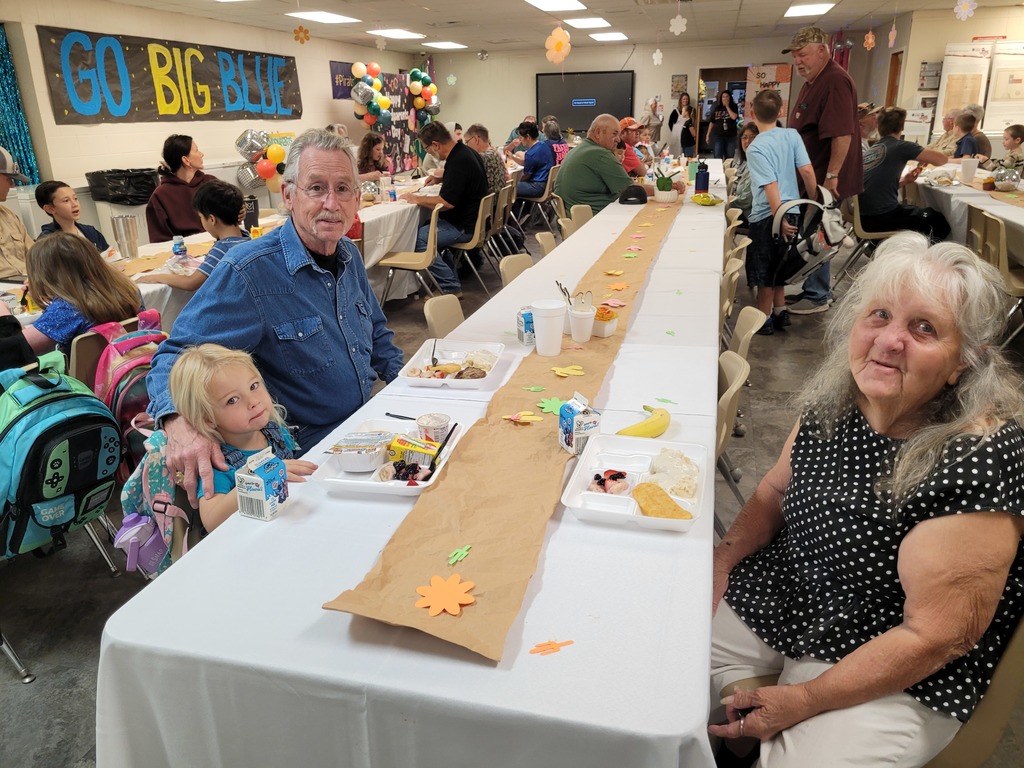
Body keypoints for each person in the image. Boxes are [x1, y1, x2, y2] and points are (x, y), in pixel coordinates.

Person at [709, 232, 1024, 768]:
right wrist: (721, 561)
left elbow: (935, 636)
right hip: (793, 589)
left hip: (892, 646)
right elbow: (774, 490)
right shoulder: (839, 399)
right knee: (655, 655)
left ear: (964, 364)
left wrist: (803, 699)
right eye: (879, 315)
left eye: (924, 328)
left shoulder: (977, 458)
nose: (890, 340)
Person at [146, 128, 404, 502]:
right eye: (316, 188)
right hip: (306, 461)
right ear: (288, 195)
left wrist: (405, 385)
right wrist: (177, 424)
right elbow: (175, 354)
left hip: (364, 430)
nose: (332, 202)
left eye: (344, 188)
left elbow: (377, 332)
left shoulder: (348, 254)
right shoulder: (249, 272)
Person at [168, 344, 317, 533]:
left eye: (253, 386)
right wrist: (258, 479)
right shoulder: (219, 464)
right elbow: (211, 519)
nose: (253, 402)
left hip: (292, 523)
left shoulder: (274, 432)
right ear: (207, 419)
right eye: (232, 400)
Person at [784, 26, 863, 316]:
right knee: (814, 231)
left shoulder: (834, 81)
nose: (799, 62)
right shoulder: (814, 81)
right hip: (812, 174)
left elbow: (842, 134)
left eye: (803, 55)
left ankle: (817, 295)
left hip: (824, 177)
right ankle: (814, 290)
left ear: (822, 51)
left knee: (819, 233)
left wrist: (831, 177)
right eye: (795, 57)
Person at [744, 90, 817, 337]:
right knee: (781, 265)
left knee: (765, 271)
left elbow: (770, 186)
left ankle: (763, 320)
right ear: (782, 111)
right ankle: (780, 310)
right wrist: (814, 198)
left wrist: (779, 219)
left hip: (770, 215)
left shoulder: (755, 148)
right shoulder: (792, 135)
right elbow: (807, 171)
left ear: (752, 114)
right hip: (792, 210)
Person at [401, 121, 487, 296]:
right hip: (473, 218)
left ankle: (449, 286)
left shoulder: (458, 161)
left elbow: (446, 203)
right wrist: (443, 179)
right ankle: (448, 279)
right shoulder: (465, 152)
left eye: (426, 149)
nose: (428, 153)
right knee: (426, 225)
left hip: (463, 225)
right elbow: (463, 182)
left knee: (419, 238)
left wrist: (415, 198)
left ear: (435, 145)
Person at [21, 232, 140, 355]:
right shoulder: (127, 290)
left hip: (85, 374)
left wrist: (5, 315)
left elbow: (18, 350)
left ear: (48, 276)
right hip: (133, 367)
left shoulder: (66, 309)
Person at [554, 114, 684, 215]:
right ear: (598, 132)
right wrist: (666, 187)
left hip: (575, 219)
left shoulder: (580, 149)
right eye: (615, 134)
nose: (618, 139)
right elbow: (630, 190)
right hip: (590, 221)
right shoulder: (601, 154)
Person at [136, 180, 249, 292]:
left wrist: (157, 277)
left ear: (212, 219)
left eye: (200, 217)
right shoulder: (247, 238)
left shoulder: (222, 249)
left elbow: (190, 283)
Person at [860, 107, 951, 241]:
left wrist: (905, 181)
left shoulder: (873, 149)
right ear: (902, 127)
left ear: (878, 127)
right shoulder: (901, 146)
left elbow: (876, 186)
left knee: (914, 210)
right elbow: (942, 159)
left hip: (864, 216)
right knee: (939, 222)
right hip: (881, 217)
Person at [146, 134, 213, 242]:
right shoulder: (160, 196)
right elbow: (160, 241)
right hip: (183, 253)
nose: (202, 154)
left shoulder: (210, 183)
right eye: (196, 151)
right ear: (186, 160)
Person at [35, 181, 109, 253]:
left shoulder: (90, 232)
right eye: (66, 200)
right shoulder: (47, 242)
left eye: (75, 198)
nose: (75, 204)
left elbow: (109, 256)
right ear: (50, 209)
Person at [0, 145, 32, 279]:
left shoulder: (9, 216)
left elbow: (35, 256)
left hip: (28, 288)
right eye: (9, 179)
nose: (12, 185)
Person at [514, 122, 556, 204]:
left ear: (528, 137)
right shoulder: (543, 145)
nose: (520, 139)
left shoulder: (531, 154)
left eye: (521, 137)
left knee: (509, 188)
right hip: (546, 184)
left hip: (537, 186)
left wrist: (517, 181)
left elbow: (526, 176)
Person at [464, 123, 509, 196]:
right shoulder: (495, 153)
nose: (467, 146)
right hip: (497, 202)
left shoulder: (481, 157)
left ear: (476, 139)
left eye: (467, 142)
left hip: (488, 205)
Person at [728, 123, 759, 224]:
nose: (747, 141)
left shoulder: (757, 165)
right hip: (741, 208)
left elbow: (745, 201)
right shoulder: (747, 162)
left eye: (752, 137)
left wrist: (726, 202)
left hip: (748, 216)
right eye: (744, 137)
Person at [706, 91, 740, 161]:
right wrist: (708, 134)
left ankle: (728, 171)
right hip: (718, 136)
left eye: (727, 96)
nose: (725, 98)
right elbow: (712, 122)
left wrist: (727, 106)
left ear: (730, 98)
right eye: (723, 97)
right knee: (717, 156)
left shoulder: (734, 107)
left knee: (729, 157)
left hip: (730, 136)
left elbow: (734, 117)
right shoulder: (717, 108)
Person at [668, 92, 698, 159]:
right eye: (683, 99)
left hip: (687, 139)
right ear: (680, 100)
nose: (685, 100)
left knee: (687, 156)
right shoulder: (675, 111)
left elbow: (693, 130)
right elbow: (670, 123)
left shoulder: (691, 110)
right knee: (677, 154)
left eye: (687, 99)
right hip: (677, 136)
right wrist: (675, 132)